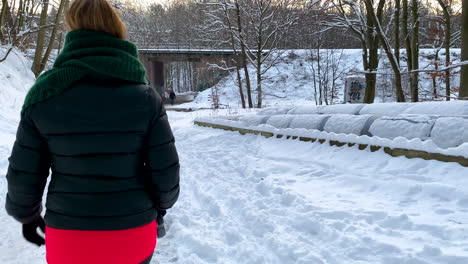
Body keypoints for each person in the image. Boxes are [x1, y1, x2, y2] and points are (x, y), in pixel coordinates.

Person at [4, 0, 180, 263]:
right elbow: (166, 173)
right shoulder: (145, 97)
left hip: (69, 237)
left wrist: (27, 215)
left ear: (72, 31)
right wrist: (161, 209)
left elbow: (24, 172)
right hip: (133, 233)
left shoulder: (44, 95)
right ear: (117, 31)